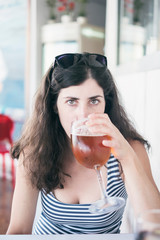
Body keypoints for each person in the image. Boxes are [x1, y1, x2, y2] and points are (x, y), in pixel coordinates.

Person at [7, 53, 160, 235]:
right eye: (71, 102)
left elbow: (155, 225)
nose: (84, 115)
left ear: (106, 103)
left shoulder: (129, 149)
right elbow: (19, 230)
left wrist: (127, 157)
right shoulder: (35, 152)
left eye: (94, 101)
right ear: (55, 106)